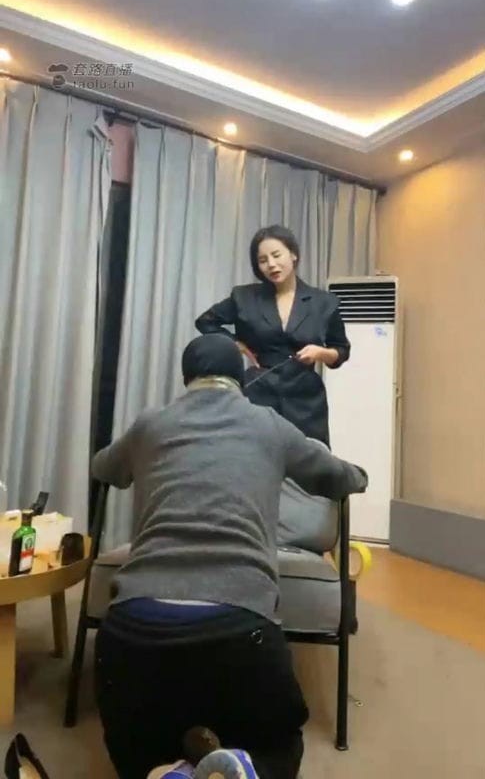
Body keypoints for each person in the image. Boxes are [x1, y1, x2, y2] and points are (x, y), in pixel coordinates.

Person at [93, 334, 367, 779]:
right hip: (238, 628)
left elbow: (103, 468)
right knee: (277, 747)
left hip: (134, 626)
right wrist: (359, 475)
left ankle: (167, 770)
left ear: (187, 378)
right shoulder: (268, 424)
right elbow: (335, 477)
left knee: (137, 752)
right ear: (241, 378)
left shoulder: (151, 423)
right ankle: (244, 763)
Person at [195, 224, 350, 446]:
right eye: (263, 260)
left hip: (305, 398)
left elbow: (341, 350)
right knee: (253, 456)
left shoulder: (324, 302)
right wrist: (237, 344)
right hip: (258, 392)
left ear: (293, 254)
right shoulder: (244, 297)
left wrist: (321, 353)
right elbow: (206, 321)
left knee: (307, 461)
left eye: (276, 255)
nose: (271, 264)